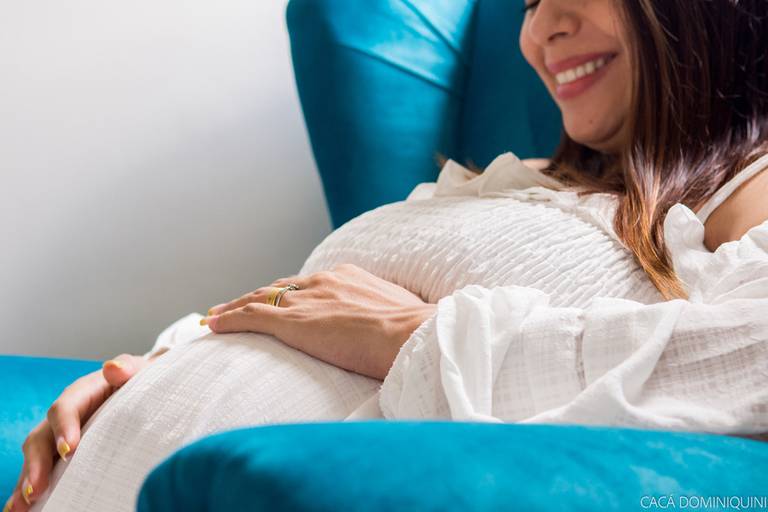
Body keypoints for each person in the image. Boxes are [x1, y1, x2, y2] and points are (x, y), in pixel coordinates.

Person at [6, 0, 768, 510]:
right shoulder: (526, 179)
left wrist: (411, 338)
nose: (541, 30)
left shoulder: (746, 186)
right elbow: (319, 301)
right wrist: (160, 362)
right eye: (530, 0)